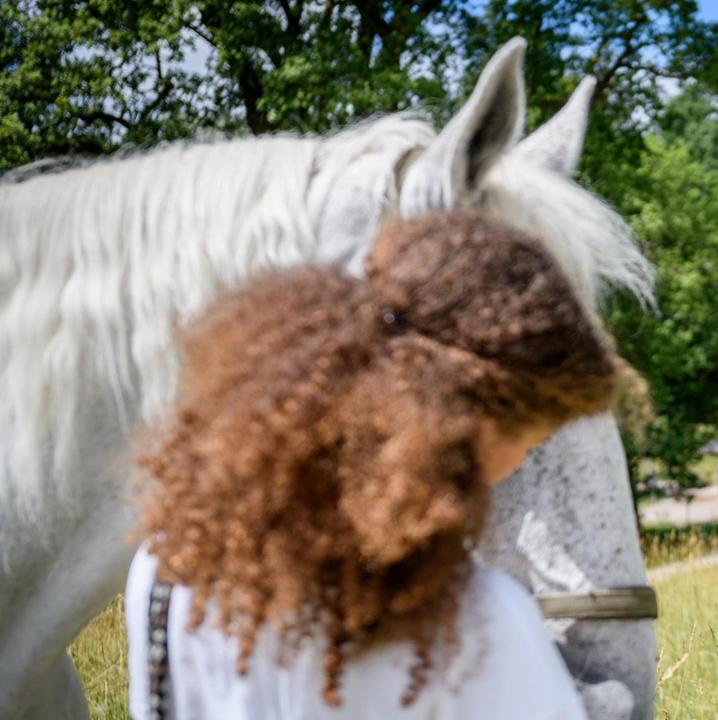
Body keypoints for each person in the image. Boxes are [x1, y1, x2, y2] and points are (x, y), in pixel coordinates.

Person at [125, 211, 619, 719]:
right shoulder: (480, 626)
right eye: (531, 443)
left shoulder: (166, 574)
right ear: (473, 428)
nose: (514, 469)